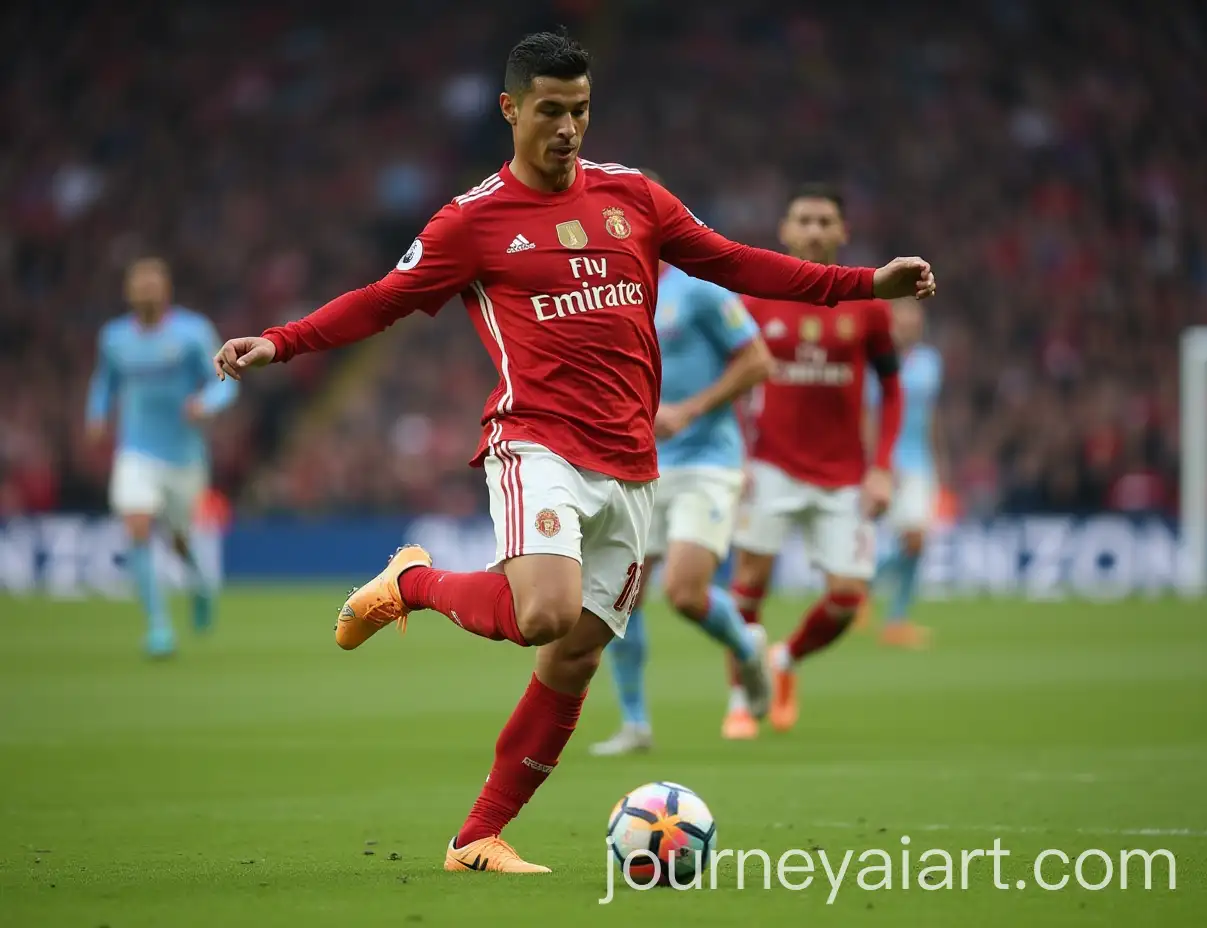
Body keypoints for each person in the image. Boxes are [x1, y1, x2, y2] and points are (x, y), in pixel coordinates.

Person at [214, 30, 935, 873]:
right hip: (534, 441)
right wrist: (281, 342)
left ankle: (475, 838)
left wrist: (862, 282)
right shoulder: (472, 221)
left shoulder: (636, 197)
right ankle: (409, 583)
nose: (568, 128)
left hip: (631, 461)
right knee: (545, 613)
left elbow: (740, 264)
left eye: (581, 110)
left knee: (577, 652)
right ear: (511, 109)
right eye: (551, 111)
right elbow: (383, 300)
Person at [589, 169, 775, 756]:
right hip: (637, 463)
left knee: (686, 593)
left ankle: (748, 650)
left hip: (705, 459)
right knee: (621, 597)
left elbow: (758, 362)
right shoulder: (607, 292)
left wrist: (689, 411)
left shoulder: (698, 286)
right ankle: (636, 724)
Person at [726, 184, 904, 738]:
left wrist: (881, 466)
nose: (814, 230)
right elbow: (732, 383)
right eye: (804, 220)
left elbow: (892, 389)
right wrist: (738, 457)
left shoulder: (869, 306)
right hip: (771, 467)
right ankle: (739, 697)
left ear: (843, 232)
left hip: (843, 477)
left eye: (826, 221)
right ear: (784, 230)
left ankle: (783, 661)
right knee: (749, 585)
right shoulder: (754, 301)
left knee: (848, 598)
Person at [86, 257, 237, 657]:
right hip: (135, 451)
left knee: (177, 540)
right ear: (129, 292)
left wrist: (206, 403)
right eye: (140, 285)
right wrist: (96, 414)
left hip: (184, 457)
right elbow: (105, 382)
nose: (147, 292)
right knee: (136, 525)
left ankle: (201, 585)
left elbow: (225, 382)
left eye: (154, 284)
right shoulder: (115, 338)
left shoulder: (192, 333)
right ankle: (158, 627)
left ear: (166, 290)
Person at [863, 299, 943, 648]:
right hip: (889, 462)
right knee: (912, 539)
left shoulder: (930, 362)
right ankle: (865, 592)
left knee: (917, 543)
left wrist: (941, 460)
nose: (911, 321)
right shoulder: (875, 363)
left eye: (916, 315)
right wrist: (875, 463)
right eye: (904, 315)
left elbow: (930, 416)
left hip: (920, 461)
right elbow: (867, 415)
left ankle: (891, 616)